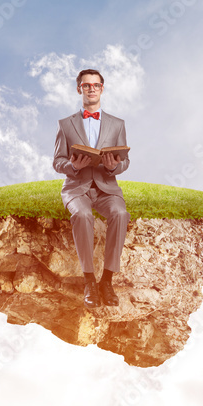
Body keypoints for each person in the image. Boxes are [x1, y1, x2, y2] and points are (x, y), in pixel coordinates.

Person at [53, 68, 131, 308]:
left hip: (106, 187)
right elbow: (57, 161)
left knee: (120, 213)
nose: (91, 89)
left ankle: (107, 281)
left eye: (95, 85)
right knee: (82, 214)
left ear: (102, 88)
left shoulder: (117, 124)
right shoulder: (66, 124)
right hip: (77, 187)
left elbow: (125, 161)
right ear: (79, 89)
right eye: (86, 85)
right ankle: (89, 281)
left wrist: (111, 167)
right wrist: (73, 166)